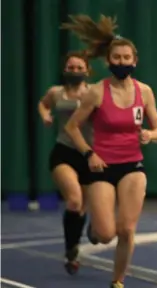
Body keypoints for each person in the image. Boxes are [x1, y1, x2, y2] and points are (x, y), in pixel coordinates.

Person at [61, 14, 157, 288]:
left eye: (126, 58)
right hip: (101, 167)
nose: (121, 62)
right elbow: (72, 127)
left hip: (133, 166)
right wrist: (88, 154)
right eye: (116, 58)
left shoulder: (145, 91)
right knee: (106, 234)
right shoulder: (96, 92)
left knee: (127, 229)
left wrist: (149, 135)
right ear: (108, 62)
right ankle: (94, 228)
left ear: (135, 61)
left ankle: (117, 282)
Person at [38, 51, 92, 275]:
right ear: (64, 69)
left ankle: (77, 242)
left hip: (90, 154)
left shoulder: (94, 93)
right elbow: (43, 104)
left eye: (80, 68)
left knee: (84, 211)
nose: (75, 71)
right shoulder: (56, 92)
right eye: (71, 67)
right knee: (74, 200)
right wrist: (45, 115)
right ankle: (71, 250)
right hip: (64, 152)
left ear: (87, 71)